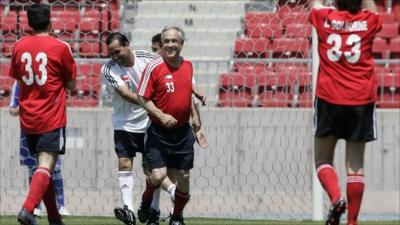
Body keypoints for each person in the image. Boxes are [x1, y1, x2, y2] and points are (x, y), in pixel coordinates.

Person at [309, 1, 381, 225]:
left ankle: (336, 198)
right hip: (361, 99)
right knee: (356, 164)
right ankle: (352, 222)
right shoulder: (368, 21)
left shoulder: (324, 19)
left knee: (322, 158)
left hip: (329, 97)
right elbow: (374, 9)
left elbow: (316, 3)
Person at [9, 3, 77, 225]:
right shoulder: (61, 47)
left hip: (28, 116)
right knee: (47, 165)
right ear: (51, 21)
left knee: (41, 167)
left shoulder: (18, 46)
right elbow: (72, 84)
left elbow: (18, 80)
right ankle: (28, 209)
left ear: (29, 23)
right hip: (51, 117)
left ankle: (55, 219)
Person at [102, 32, 177, 225]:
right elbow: (126, 94)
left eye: (117, 51)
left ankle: (154, 210)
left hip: (148, 123)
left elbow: (173, 72)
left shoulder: (149, 60)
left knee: (153, 169)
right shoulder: (108, 69)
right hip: (124, 124)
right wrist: (152, 104)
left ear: (128, 44)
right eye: (111, 53)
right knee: (125, 162)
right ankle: (128, 210)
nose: (114, 56)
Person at [137, 26, 208, 225]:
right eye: (166, 41)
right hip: (158, 132)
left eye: (174, 41)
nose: (170, 45)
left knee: (184, 176)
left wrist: (197, 125)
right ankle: (146, 199)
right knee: (158, 176)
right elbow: (142, 97)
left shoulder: (188, 66)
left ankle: (176, 218)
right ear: (162, 43)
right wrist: (160, 114)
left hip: (183, 133)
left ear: (182, 44)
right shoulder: (154, 67)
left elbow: (187, 96)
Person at [9, 81, 71, 218]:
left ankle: (60, 206)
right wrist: (27, 107)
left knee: (55, 169)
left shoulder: (48, 79)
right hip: (28, 130)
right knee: (33, 168)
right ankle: (35, 207)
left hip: (50, 125)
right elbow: (12, 109)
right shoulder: (20, 82)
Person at [151, 33, 207, 106]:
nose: (153, 54)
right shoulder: (151, 67)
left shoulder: (185, 66)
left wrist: (196, 116)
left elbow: (190, 96)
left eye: (155, 50)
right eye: (152, 50)